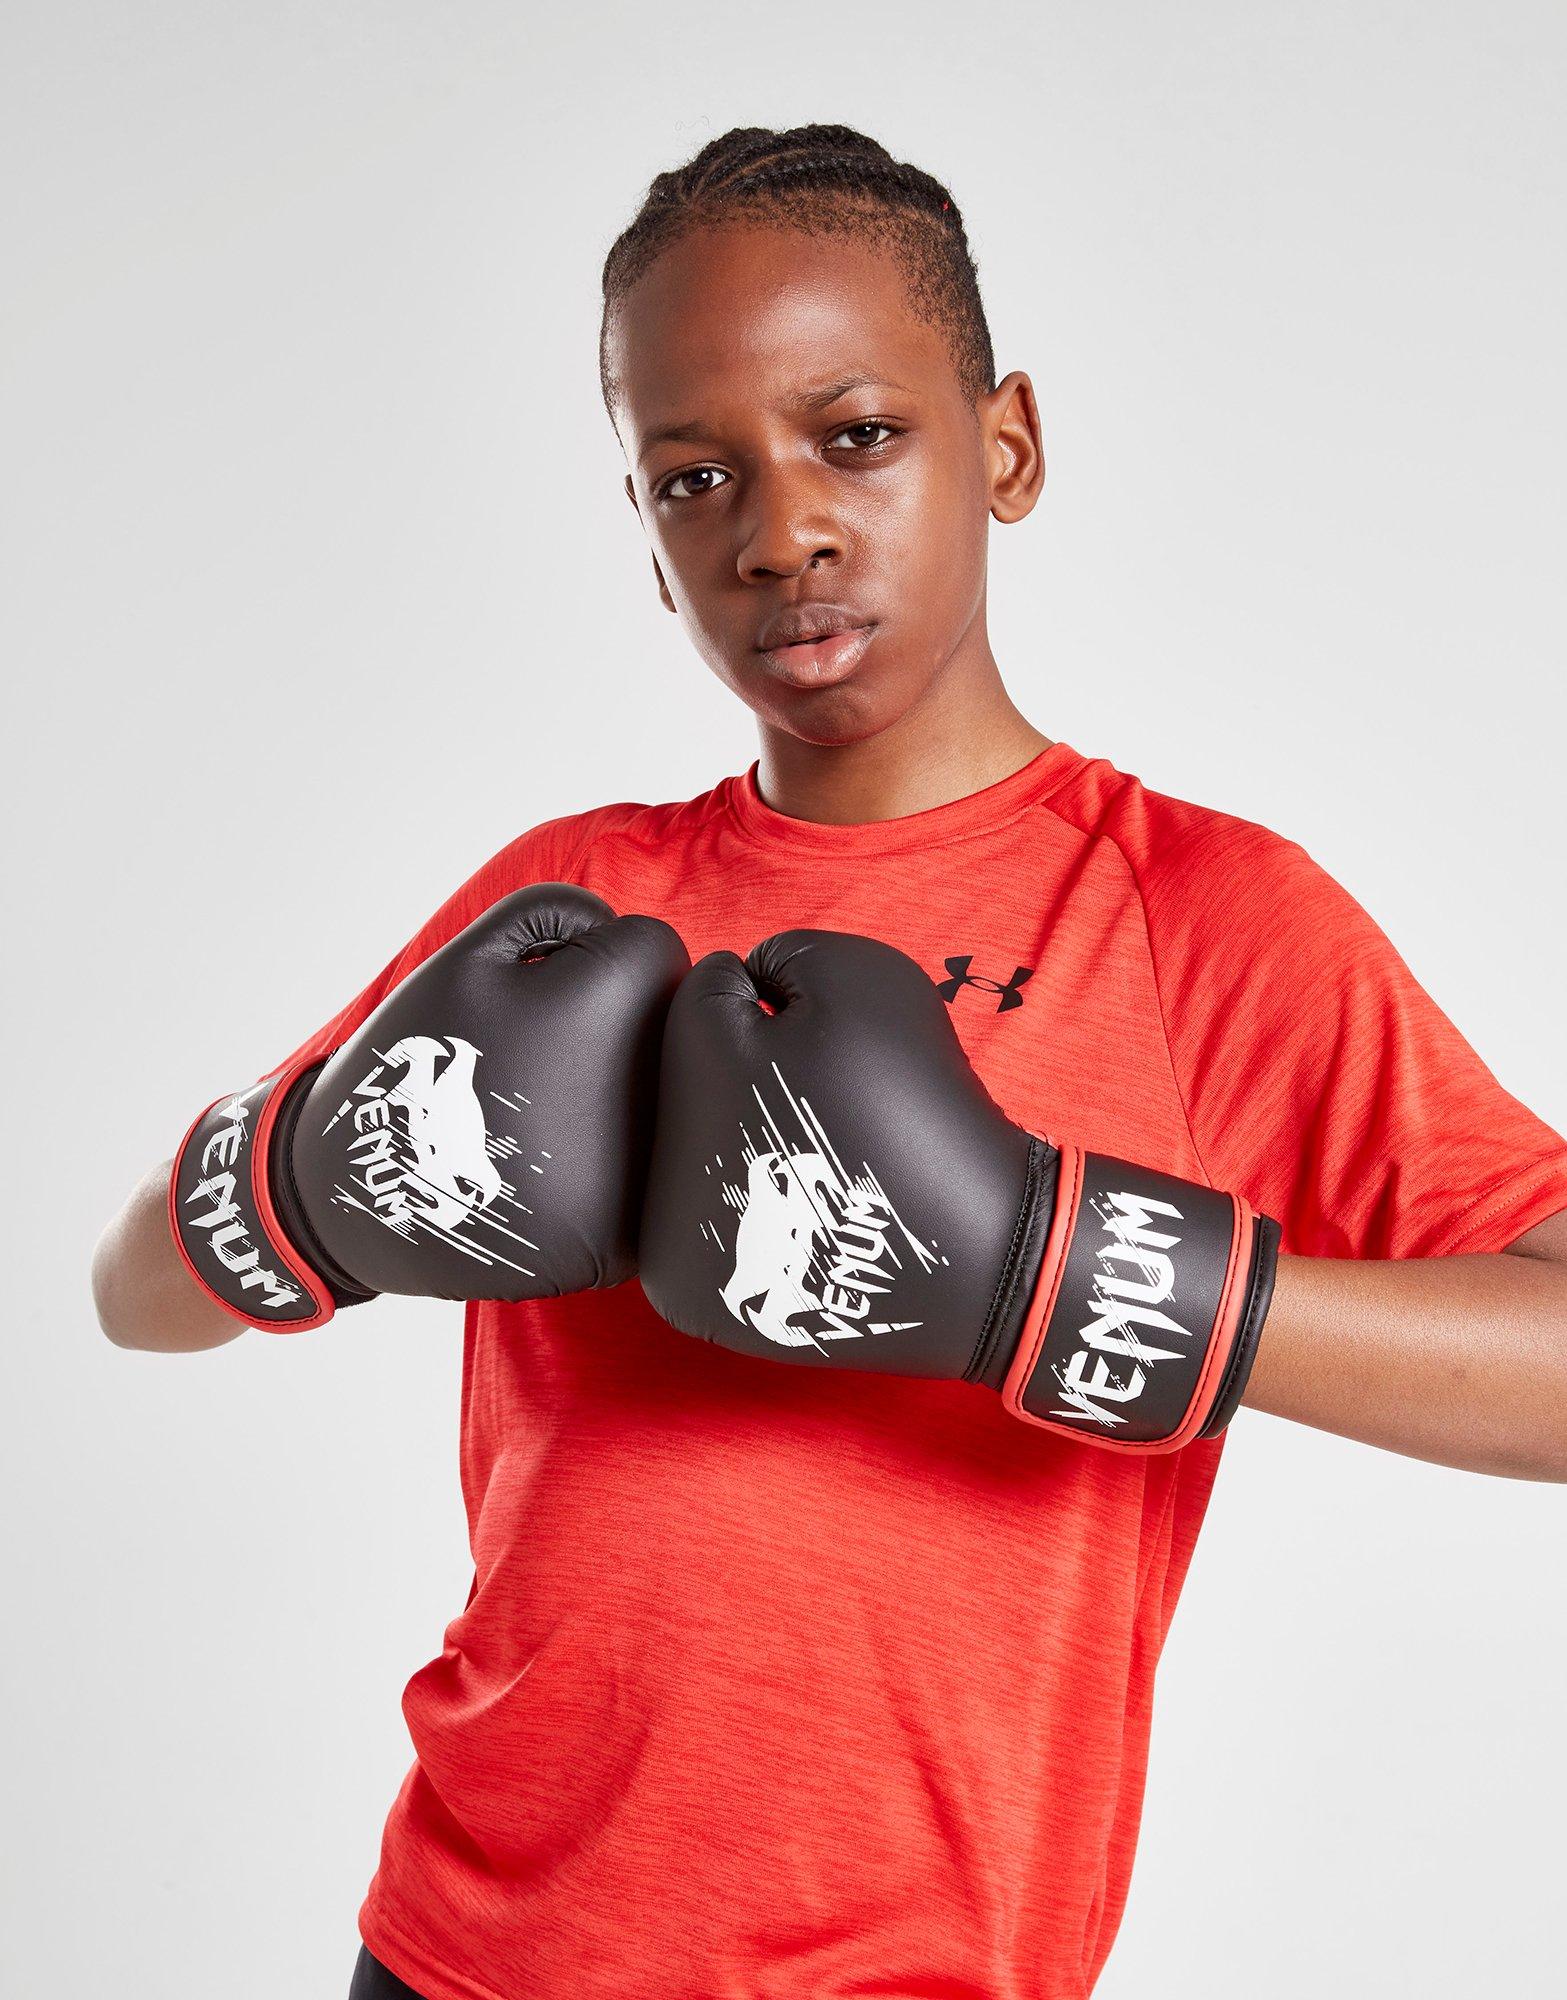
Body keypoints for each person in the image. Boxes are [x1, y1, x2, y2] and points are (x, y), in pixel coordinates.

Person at [92, 123, 1567, 2000]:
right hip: (461, 1951)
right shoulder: (576, 900)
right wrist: (313, 1173)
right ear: (650, 544)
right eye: (693, 476)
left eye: (856, 434)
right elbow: (134, 1294)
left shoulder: (1199, 919)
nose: (777, 530)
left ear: (1006, 446)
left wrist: (1057, 1270)